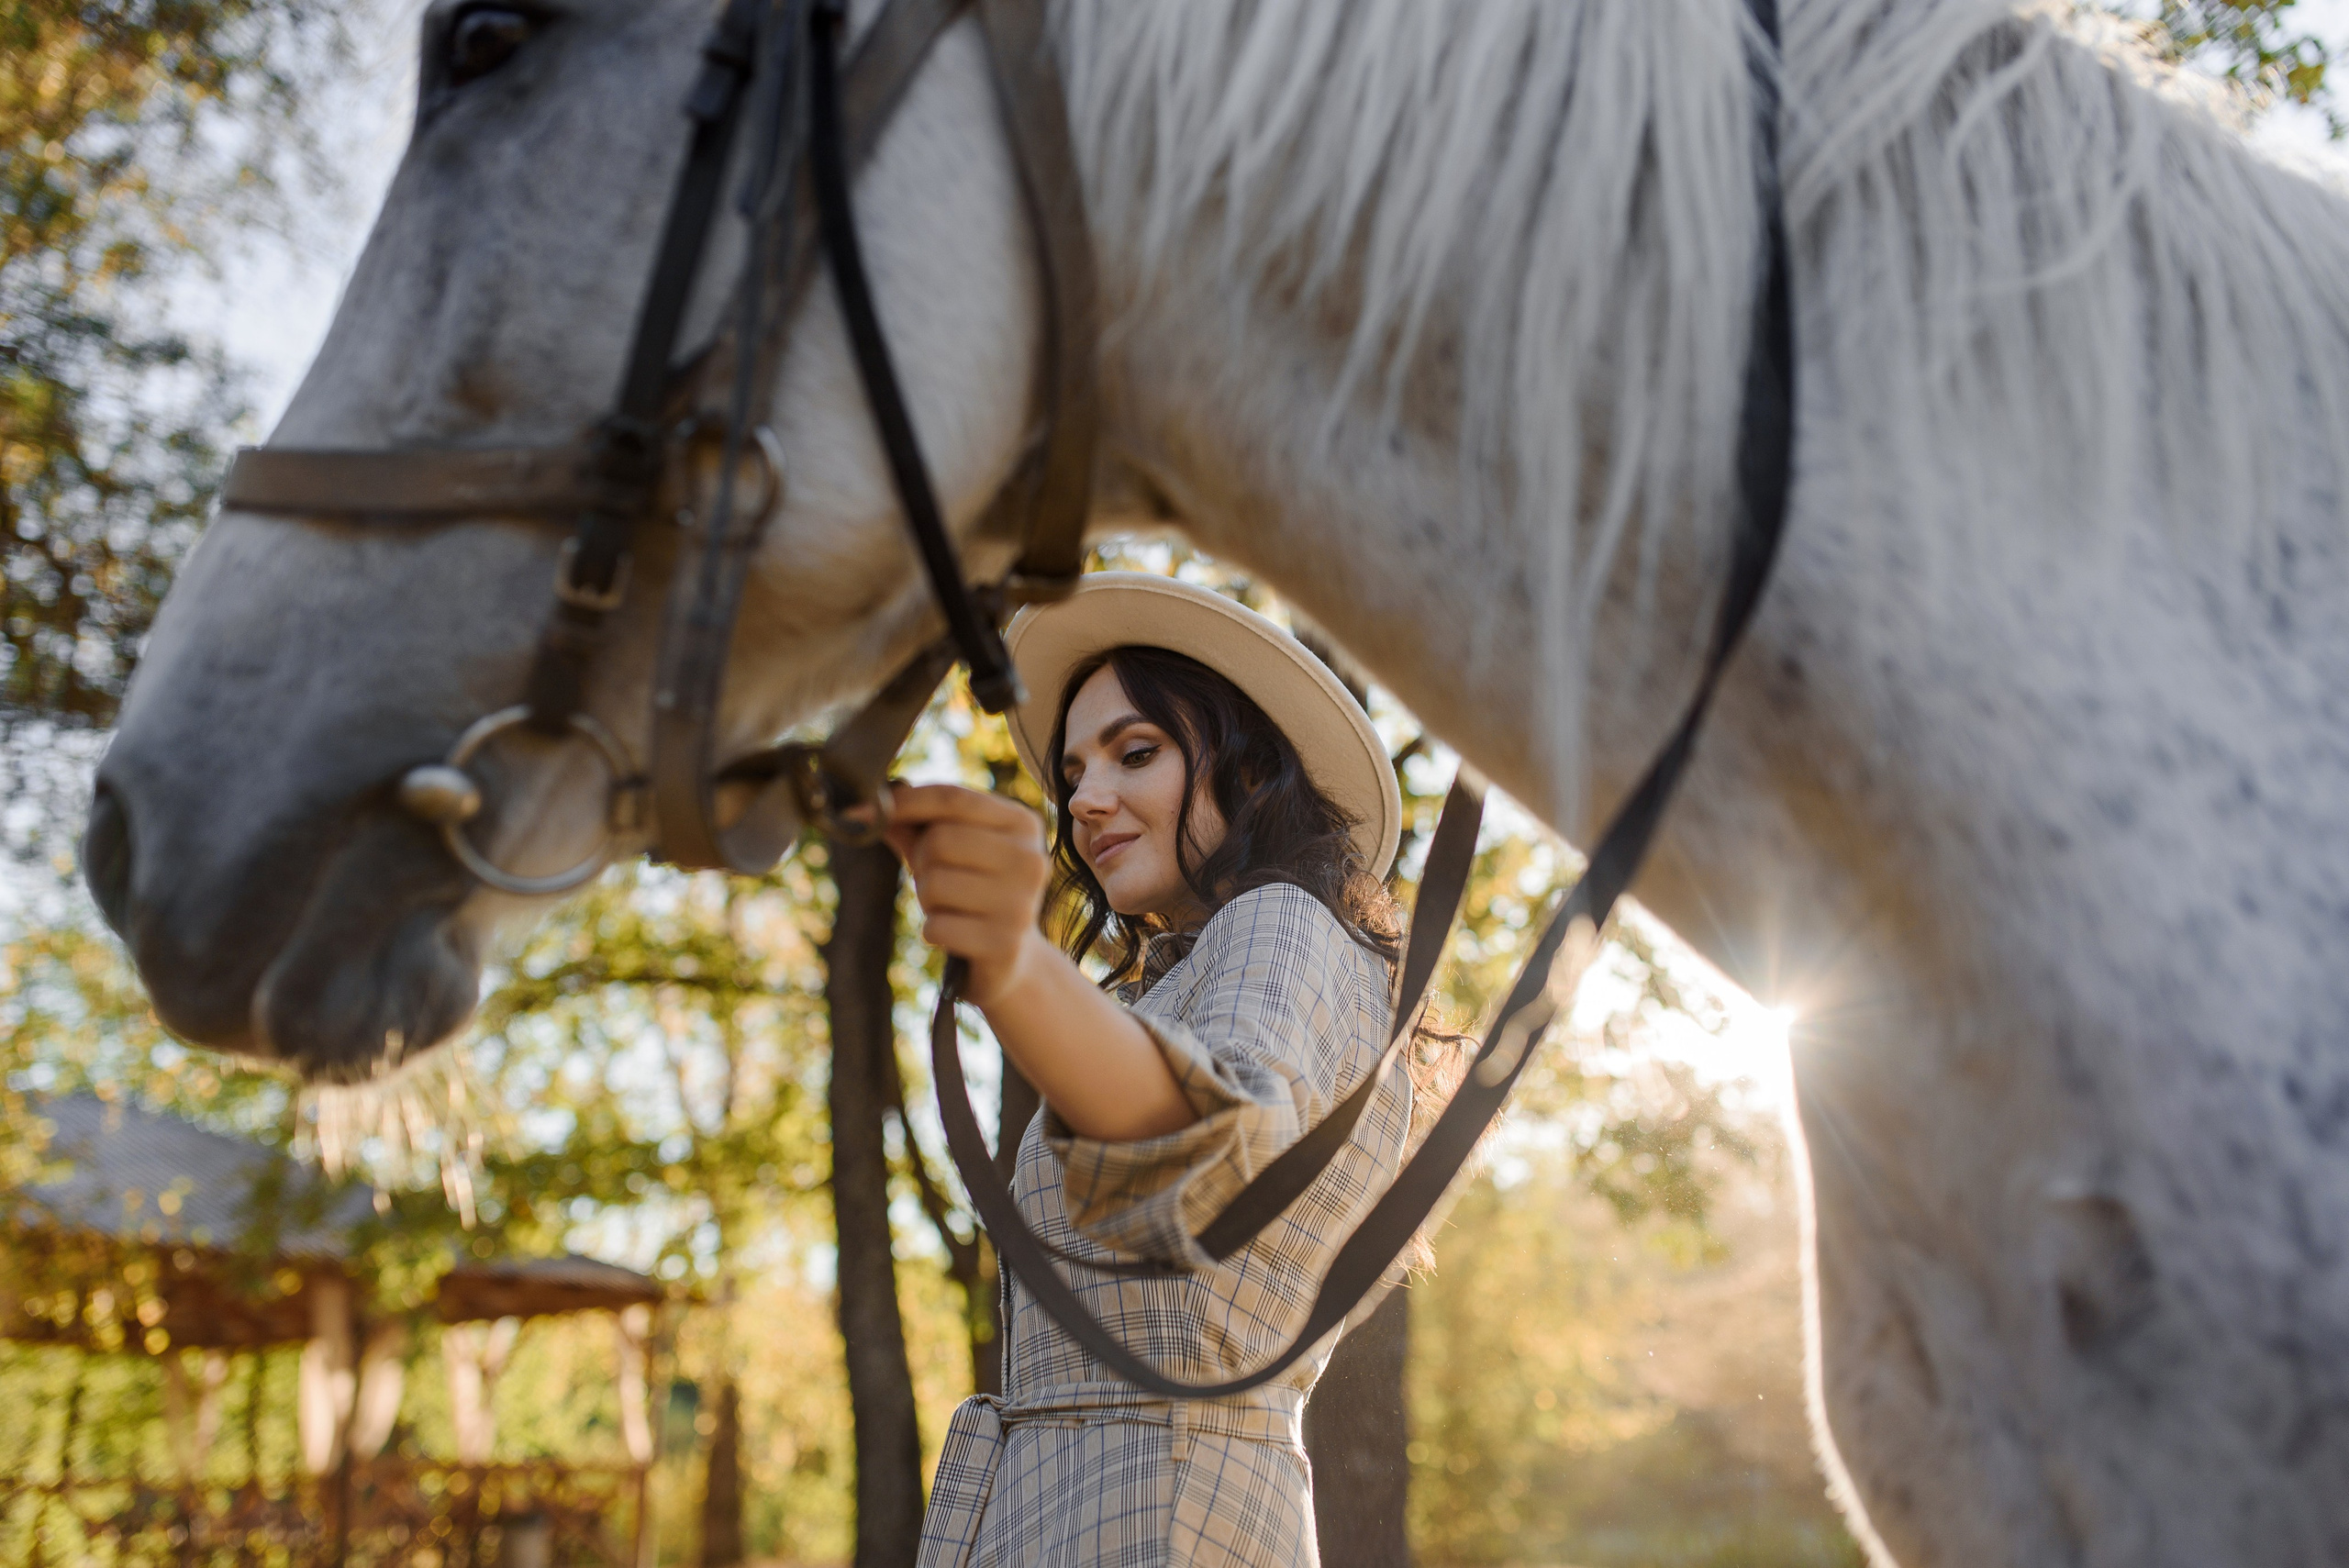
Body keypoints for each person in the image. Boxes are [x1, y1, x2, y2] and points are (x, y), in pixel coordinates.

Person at [891, 573, 1419, 1568]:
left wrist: (1013, 961)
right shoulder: (1168, 988)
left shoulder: (1282, 920)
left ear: (1251, 769)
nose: (1086, 800)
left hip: (1161, 1513)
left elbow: (1209, 1152)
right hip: (1081, 1504)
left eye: (1137, 752)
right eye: (1075, 769)